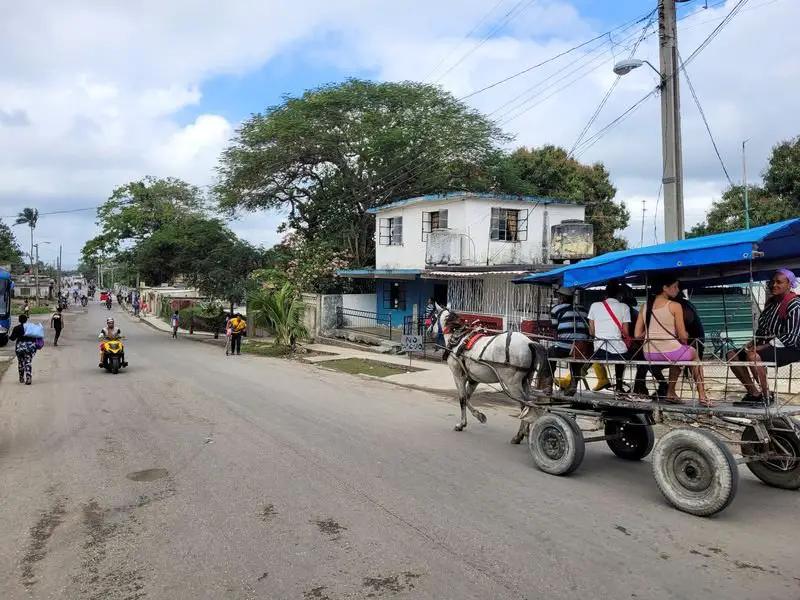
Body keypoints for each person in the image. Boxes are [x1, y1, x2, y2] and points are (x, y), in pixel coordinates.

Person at [634, 273, 712, 406]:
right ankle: (702, 396)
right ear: (665, 288)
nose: (677, 289)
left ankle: (671, 392)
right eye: (675, 287)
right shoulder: (675, 306)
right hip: (670, 352)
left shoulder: (644, 306)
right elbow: (682, 336)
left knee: (679, 358)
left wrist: (652, 333)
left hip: (649, 353)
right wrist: (685, 336)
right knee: (693, 356)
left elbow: (637, 335)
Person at [727, 269, 800, 405]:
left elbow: (791, 336)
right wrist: (752, 342)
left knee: (753, 356)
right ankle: (754, 393)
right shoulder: (770, 304)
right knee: (732, 354)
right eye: (772, 282)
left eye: (779, 282)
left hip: (790, 348)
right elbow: (762, 329)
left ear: (789, 285)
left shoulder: (794, 305)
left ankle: (766, 396)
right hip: (768, 345)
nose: (774, 285)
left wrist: (762, 346)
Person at [588, 281, 631, 394]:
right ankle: (619, 386)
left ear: (605, 295)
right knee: (622, 356)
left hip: (599, 351)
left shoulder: (594, 305)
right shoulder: (624, 307)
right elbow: (626, 332)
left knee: (588, 356)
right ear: (620, 295)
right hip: (619, 353)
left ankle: (574, 381)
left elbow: (592, 332)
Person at [548, 287, 591, 396]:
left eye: (558, 296)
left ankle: (548, 385)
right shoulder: (584, 310)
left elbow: (555, 330)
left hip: (564, 347)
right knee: (576, 358)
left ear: (562, 297)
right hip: (580, 348)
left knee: (549, 354)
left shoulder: (556, 309)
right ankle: (573, 383)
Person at [10, 314, 38, 385]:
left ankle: (21, 377)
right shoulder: (30, 328)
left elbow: (13, 338)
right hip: (29, 347)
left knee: (20, 362)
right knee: (28, 362)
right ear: (26, 320)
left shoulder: (17, 328)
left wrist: (8, 337)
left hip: (20, 347)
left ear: (19, 320)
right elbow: (35, 337)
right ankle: (28, 378)